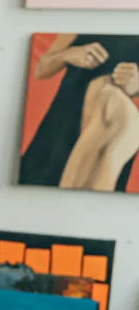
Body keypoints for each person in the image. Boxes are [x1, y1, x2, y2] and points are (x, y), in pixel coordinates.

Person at [20, 33, 139, 192]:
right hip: (60, 127)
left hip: (109, 134)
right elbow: (40, 69)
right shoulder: (83, 23)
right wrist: (67, 55)